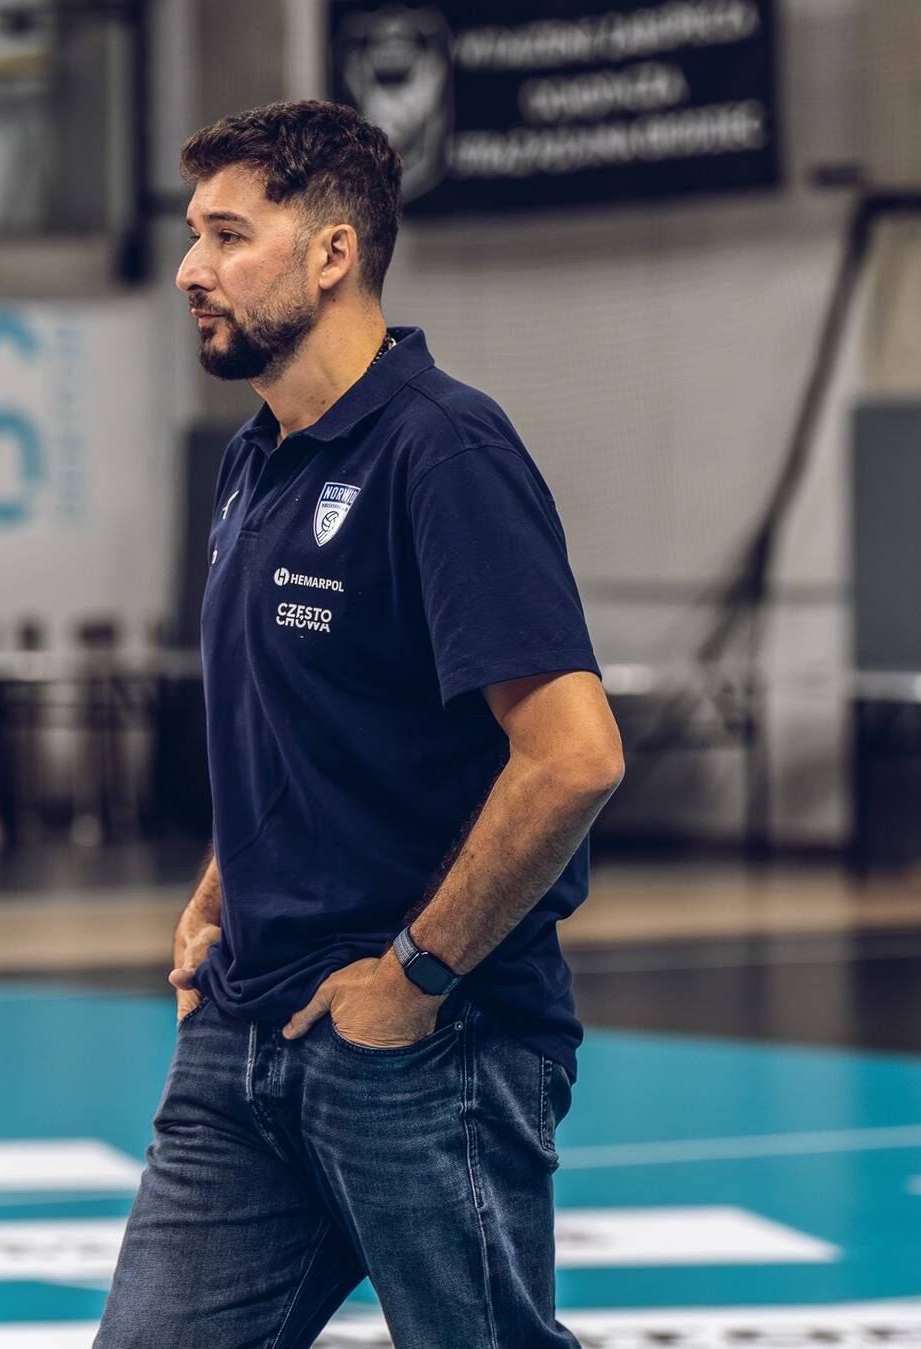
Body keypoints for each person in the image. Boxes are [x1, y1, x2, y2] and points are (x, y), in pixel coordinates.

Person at [94, 100, 624, 1348]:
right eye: (193, 235)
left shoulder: (442, 451)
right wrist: (219, 892)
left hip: (422, 1048)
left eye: (228, 236)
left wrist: (414, 978)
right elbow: (298, 723)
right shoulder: (256, 457)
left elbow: (573, 756)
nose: (189, 270)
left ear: (331, 254)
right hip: (242, 1034)